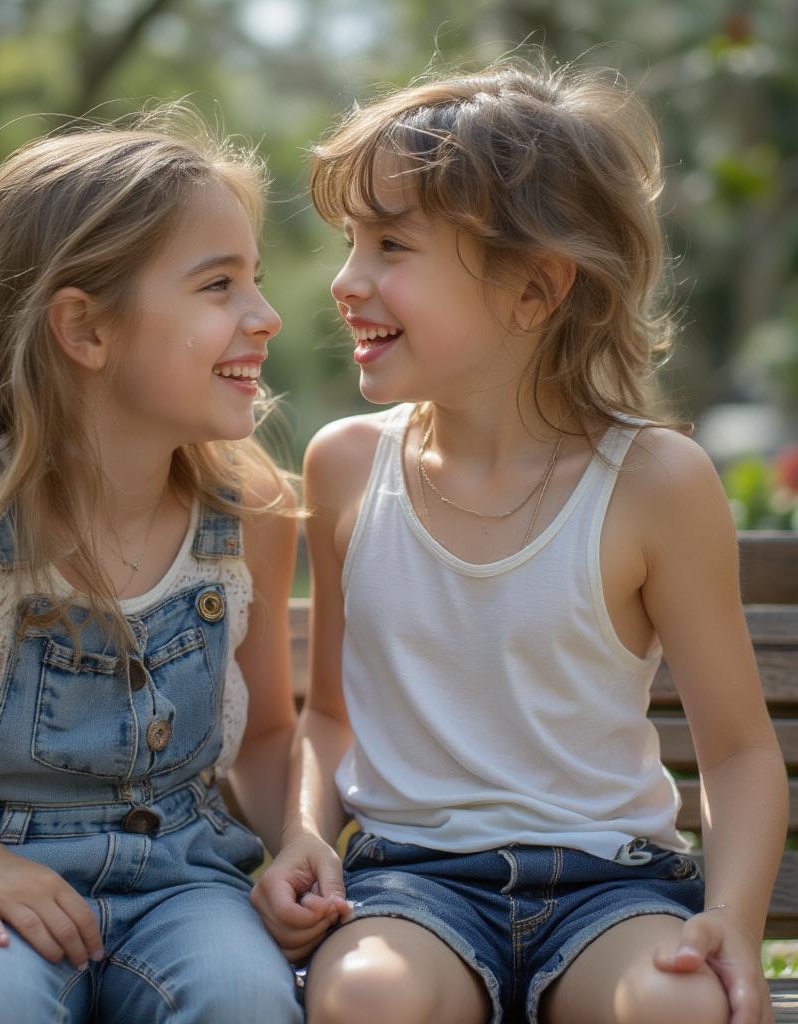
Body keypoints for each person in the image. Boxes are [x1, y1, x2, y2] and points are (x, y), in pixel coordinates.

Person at [251, 57, 786, 1024]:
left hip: (613, 888)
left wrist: (733, 922)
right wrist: (303, 834)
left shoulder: (656, 484)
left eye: (391, 246)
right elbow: (330, 717)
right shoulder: (343, 468)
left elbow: (742, 751)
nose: (344, 280)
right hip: (409, 885)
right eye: (349, 243)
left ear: (535, 289)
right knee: (366, 998)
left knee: (673, 1009)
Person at [0, 117, 303, 1024]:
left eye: (255, 281)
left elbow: (269, 736)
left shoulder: (249, 516)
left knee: (244, 1000)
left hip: (186, 885)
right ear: (83, 328)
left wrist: (300, 836)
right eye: (218, 286)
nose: (264, 316)